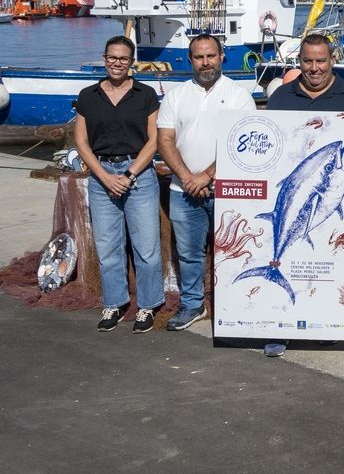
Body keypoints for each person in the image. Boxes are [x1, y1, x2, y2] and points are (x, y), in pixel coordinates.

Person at [265, 33, 344, 356]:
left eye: (320, 61)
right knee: (291, 262)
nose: (314, 68)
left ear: (332, 61)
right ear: (299, 62)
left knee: (330, 264)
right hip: (298, 201)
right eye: (308, 61)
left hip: (335, 204)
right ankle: (277, 327)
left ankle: (328, 323)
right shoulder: (281, 97)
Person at [156, 34, 254, 332]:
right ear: (190, 60)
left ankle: (237, 306)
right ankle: (193, 304)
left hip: (229, 191)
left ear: (222, 56)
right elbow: (165, 140)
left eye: (211, 55)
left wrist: (207, 175)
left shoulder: (239, 96)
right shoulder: (175, 96)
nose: (205, 62)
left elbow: (243, 143)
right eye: (199, 57)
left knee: (235, 251)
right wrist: (187, 177)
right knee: (188, 254)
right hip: (183, 190)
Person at [72, 36, 165, 333]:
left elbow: (154, 140)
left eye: (123, 58)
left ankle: (147, 305)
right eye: (112, 57)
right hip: (102, 176)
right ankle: (114, 302)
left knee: (146, 247)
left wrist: (129, 175)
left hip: (139, 175)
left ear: (132, 62)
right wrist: (104, 176)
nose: (117, 63)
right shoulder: (88, 96)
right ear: (104, 58)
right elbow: (81, 142)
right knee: (108, 247)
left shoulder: (145, 95)